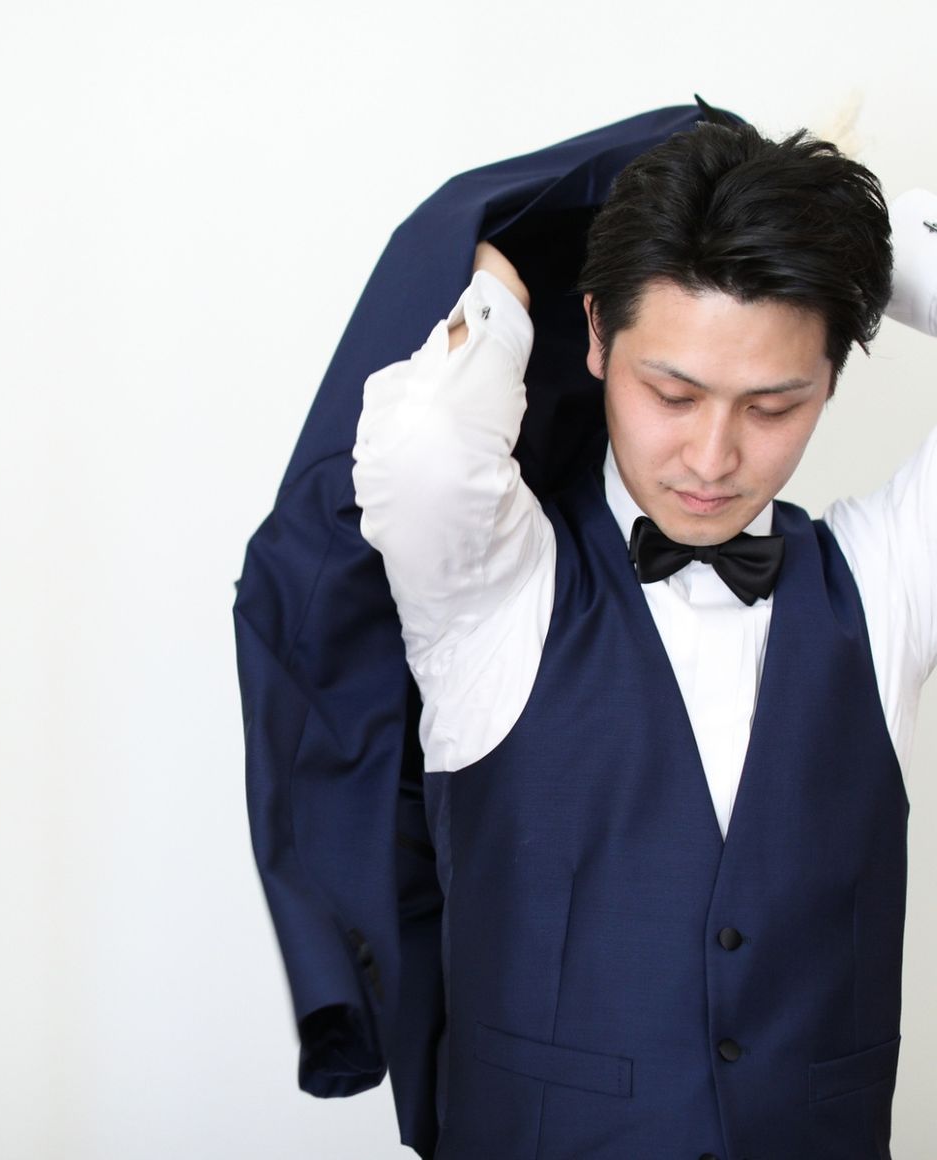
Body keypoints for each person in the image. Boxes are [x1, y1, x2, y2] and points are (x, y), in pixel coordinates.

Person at [352, 122, 937, 1158]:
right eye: (672, 394)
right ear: (595, 335)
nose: (711, 458)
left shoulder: (884, 579)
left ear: (830, 379)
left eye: (772, 405)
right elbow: (424, 449)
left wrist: (848, 247)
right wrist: (497, 298)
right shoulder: (493, 583)